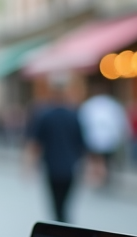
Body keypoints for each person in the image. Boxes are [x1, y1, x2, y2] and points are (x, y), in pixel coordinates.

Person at [27, 81, 86, 223]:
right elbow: (82, 144)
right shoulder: (74, 116)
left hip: (52, 166)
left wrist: (29, 164)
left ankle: (60, 225)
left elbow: (36, 143)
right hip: (69, 166)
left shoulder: (45, 116)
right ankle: (64, 224)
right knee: (65, 203)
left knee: (56, 203)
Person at [78, 77, 129, 188]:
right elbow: (121, 122)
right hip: (109, 138)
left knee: (97, 159)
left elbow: (83, 122)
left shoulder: (89, 105)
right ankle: (103, 177)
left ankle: (99, 178)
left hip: (94, 139)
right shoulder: (112, 104)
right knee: (105, 160)